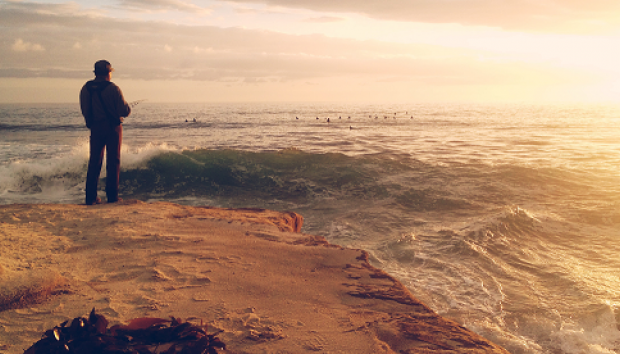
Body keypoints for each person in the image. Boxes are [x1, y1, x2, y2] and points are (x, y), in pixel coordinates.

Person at [79, 60, 131, 205]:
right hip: (112, 129)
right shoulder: (113, 88)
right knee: (113, 161)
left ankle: (90, 197)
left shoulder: (86, 88)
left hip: (95, 128)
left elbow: (85, 109)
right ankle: (112, 197)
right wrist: (128, 109)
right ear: (108, 73)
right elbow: (123, 110)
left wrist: (91, 122)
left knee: (94, 162)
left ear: (95, 73)